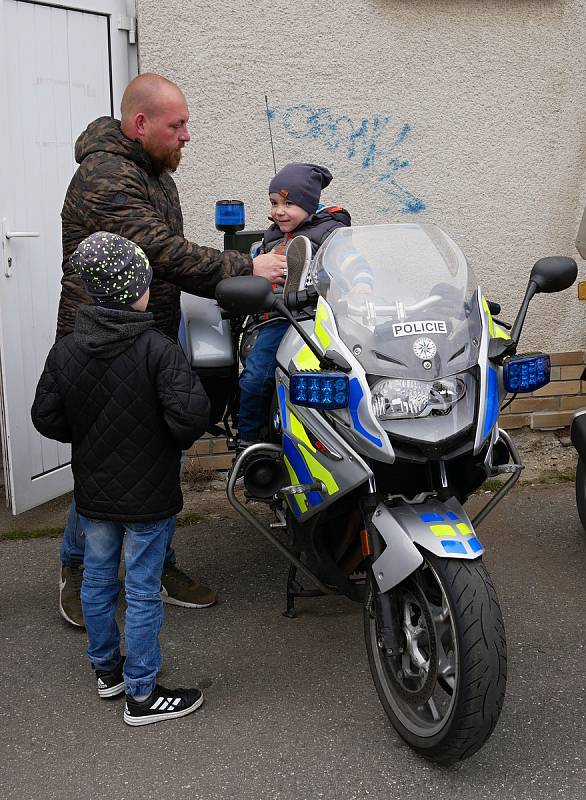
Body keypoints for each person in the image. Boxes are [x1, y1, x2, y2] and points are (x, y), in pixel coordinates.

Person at [56, 73, 287, 626]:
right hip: (104, 346)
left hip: (149, 339)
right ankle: (77, 568)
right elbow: (160, 251)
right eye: (177, 125)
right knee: (109, 462)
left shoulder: (154, 171)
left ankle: (156, 563)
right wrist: (244, 267)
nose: (187, 135)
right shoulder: (107, 175)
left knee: (154, 461)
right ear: (141, 125)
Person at [32, 232, 210, 726]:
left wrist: (87, 434)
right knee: (143, 589)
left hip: (94, 491)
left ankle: (106, 672)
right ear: (141, 289)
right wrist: (164, 438)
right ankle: (142, 694)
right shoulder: (159, 349)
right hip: (149, 493)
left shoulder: (67, 351)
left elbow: (45, 416)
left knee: (96, 578)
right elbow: (190, 417)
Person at [236, 163, 352, 448]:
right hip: (278, 316)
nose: (279, 211)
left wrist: (359, 284)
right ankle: (249, 441)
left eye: (289, 203)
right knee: (255, 377)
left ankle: (339, 438)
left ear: (310, 204)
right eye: (275, 203)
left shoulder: (331, 233)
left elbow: (353, 264)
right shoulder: (272, 237)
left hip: (319, 317)